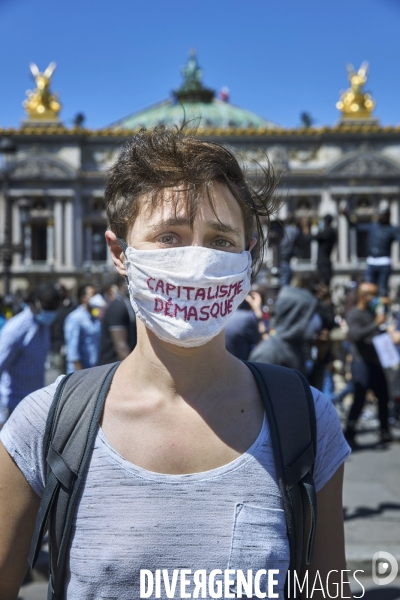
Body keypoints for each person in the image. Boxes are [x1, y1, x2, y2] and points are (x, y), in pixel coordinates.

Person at [0, 127, 350, 599]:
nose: (196, 260)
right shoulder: (44, 425)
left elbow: (327, 590)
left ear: (250, 259)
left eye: (221, 240)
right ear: (120, 253)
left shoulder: (308, 422)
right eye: (169, 236)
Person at [0, 283, 60, 427]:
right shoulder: (16, 330)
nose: (51, 312)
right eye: (48, 307)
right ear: (35, 302)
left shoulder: (43, 325)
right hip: (12, 409)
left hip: (34, 406)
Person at [345, 282, 391, 446]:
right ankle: (349, 434)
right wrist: (375, 324)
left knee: (384, 397)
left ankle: (384, 431)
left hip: (376, 362)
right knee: (359, 398)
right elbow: (356, 335)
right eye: (373, 294)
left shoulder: (372, 313)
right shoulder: (354, 314)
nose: (376, 298)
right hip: (361, 363)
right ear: (364, 296)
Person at [340, 200, 400, 297]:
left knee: (383, 289)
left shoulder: (392, 229)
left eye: (382, 214)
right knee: (368, 289)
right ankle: (370, 311)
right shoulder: (373, 226)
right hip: (372, 261)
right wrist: (346, 215)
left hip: (384, 262)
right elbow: (355, 226)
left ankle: (382, 311)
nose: (380, 216)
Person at [97, 276, 137, 365]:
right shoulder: (117, 307)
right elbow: (121, 347)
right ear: (124, 285)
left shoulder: (127, 304)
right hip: (113, 366)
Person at [64, 284, 102, 373]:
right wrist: (81, 375)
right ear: (83, 298)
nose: (97, 297)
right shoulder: (75, 318)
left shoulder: (94, 317)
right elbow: (73, 352)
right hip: (80, 373)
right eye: (93, 294)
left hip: (93, 369)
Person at [224, 291, 265, 360]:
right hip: (241, 365)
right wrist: (258, 313)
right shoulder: (246, 318)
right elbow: (263, 343)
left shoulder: (223, 317)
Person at [303, 215, 337, 286]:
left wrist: (305, 225)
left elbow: (309, 238)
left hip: (323, 264)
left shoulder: (327, 232)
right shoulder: (332, 232)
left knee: (323, 285)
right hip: (326, 262)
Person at [278, 215, 299, 286]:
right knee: (286, 276)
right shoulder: (295, 230)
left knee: (284, 275)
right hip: (287, 256)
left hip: (280, 255)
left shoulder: (282, 229)